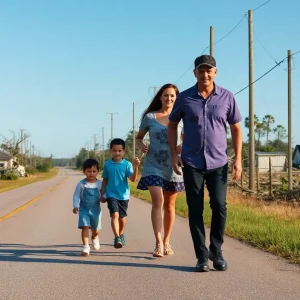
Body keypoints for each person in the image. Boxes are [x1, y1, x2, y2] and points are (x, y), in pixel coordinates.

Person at [168, 55, 242, 272]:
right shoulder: (185, 98)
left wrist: (238, 159)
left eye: (209, 70)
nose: (205, 74)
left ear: (215, 72)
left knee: (219, 205)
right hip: (192, 162)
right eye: (201, 70)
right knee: (195, 209)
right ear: (195, 73)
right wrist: (174, 155)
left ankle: (216, 251)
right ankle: (201, 256)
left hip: (219, 162)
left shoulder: (227, 97)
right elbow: (172, 125)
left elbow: (236, 128)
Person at [136, 83, 185, 258]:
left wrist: (182, 147)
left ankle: (167, 242)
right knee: (158, 200)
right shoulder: (150, 117)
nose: (169, 99)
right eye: (166, 95)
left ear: (176, 98)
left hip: (173, 165)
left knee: (170, 206)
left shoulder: (181, 117)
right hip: (153, 165)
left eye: (172, 96)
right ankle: (158, 243)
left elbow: (188, 138)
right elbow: (139, 138)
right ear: (160, 97)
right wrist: (141, 145)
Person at [100, 138, 140, 248]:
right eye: (114, 150)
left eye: (119, 150)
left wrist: (136, 167)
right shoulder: (107, 165)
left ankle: (121, 233)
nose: (117, 153)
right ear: (110, 151)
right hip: (111, 194)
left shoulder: (127, 164)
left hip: (123, 195)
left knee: (122, 218)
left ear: (124, 151)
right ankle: (117, 237)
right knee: (115, 215)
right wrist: (102, 193)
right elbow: (105, 180)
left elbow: (133, 179)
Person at [73, 158, 102, 257]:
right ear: (84, 171)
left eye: (94, 171)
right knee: (85, 226)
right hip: (84, 210)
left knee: (95, 228)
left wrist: (104, 198)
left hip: (96, 210)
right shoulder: (82, 184)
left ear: (98, 171)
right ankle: (85, 246)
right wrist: (75, 206)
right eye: (89, 171)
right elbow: (76, 195)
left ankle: (95, 237)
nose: (91, 173)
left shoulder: (99, 184)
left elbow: (104, 194)